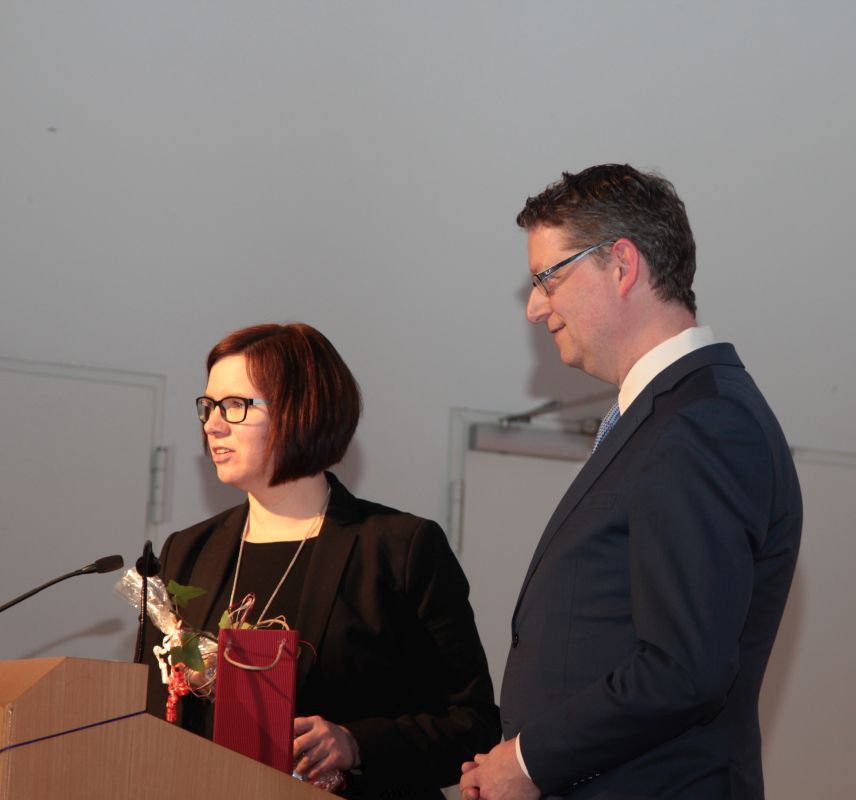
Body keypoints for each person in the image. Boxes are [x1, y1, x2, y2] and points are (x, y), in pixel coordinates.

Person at [460, 165, 803, 799]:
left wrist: (529, 762)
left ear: (621, 265)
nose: (535, 307)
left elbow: (683, 667)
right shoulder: (670, 416)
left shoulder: (703, 422)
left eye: (548, 278)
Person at [141, 322, 500, 799]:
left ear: (302, 410)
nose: (212, 424)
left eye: (235, 405)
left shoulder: (399, 549)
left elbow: (471, 724)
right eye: (208, 406)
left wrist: (355, 744)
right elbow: (147, 716)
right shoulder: (187, 551)